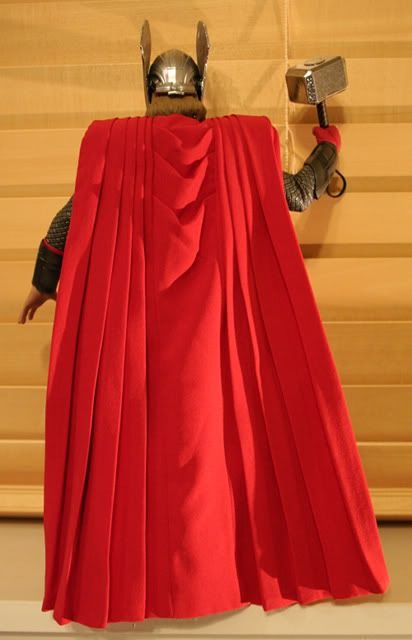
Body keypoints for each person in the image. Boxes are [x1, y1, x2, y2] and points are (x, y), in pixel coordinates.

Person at [18, 20, 389, 629]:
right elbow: (299, 193)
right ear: (199, 90)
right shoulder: (240, 148)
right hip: (218, 341)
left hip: (141, 349)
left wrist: (43, 277)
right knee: (231, 453)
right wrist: (328, 143)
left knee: (139, 464)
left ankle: (138, 585)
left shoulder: (117, 148)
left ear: (149, 91)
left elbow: (73, 213)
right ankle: (228, 571)